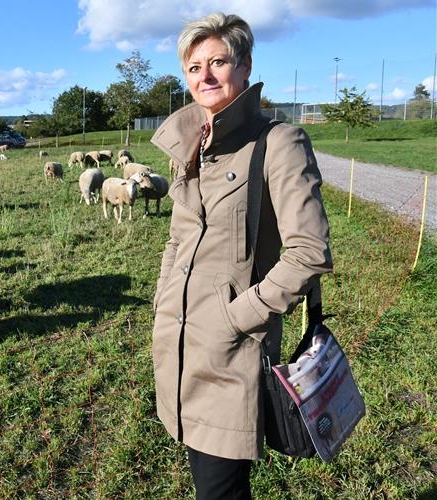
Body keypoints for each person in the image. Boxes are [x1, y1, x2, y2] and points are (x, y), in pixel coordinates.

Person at [150, 12, 333, 500]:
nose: (204, 75)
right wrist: (164, 296)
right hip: (178, 346)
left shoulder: (279, 143)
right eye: (193, 66)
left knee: (219, 491)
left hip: (231, 355)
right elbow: (178, 238)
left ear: (245, 65)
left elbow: (309, 252)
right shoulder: (191, 145)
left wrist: (237, 317)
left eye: (218, 61)